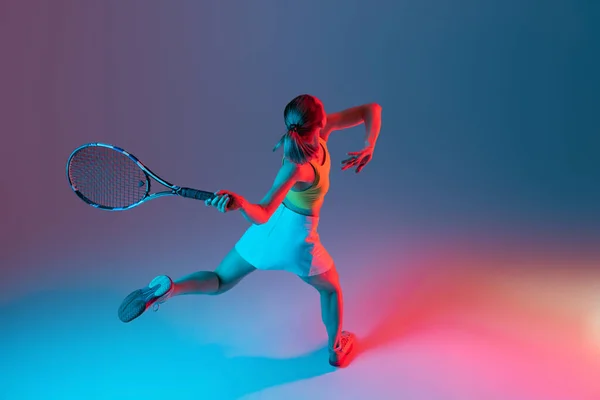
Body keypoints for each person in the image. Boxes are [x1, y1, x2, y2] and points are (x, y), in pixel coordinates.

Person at [118, 94, 382, 367]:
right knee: (330, 290)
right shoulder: (298, 166)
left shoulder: (303, 148)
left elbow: (370, 110)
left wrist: (368, 145)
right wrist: (242, 204)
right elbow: (263, 211)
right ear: (321, 120)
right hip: (297, 241)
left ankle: (171, 288)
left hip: (267, 234)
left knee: (220, 280)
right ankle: (336, 349)